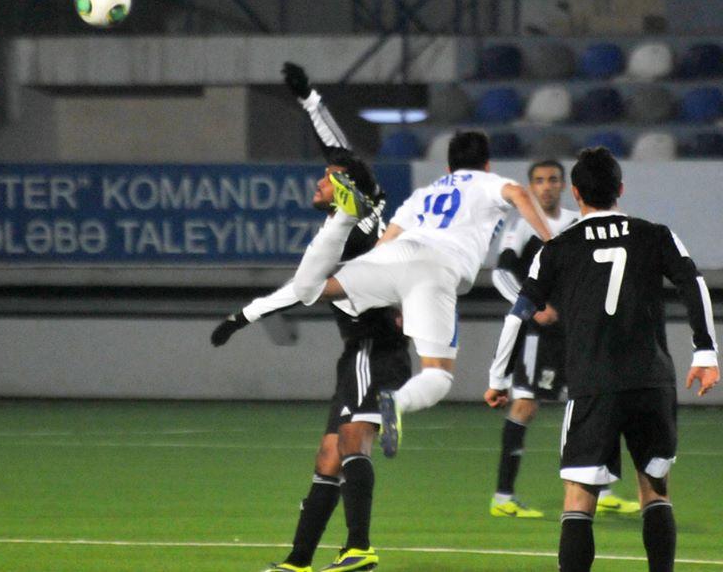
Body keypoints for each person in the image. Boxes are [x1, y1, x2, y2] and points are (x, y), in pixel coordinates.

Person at [211, 63, 410, 572]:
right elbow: (340, 153)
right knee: (327, 457)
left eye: (328, 178)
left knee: (351, 443)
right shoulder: (356, 217)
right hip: (359, 352)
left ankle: (359, 547)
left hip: (374, 348)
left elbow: (303, 290)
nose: (320, 180)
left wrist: (243, 316)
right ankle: (299, 560)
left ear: (345, 188)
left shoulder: (354, 224)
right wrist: (309, 100)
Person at [485, 147, 719, 571]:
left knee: (579, 499)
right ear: (620, 189)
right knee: (655, 492)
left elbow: (518, 313)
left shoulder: (557, 248)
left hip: (594, 384)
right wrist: (705, 351)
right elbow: (693, 283)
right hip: (652, 382)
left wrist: (499, 377)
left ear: (575, 193)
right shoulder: (655, 234)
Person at [289, 130, 553, 458]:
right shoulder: (489, 183)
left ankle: (320, 258)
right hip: (437, 268)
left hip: (396, 256)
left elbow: (385, 242)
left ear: (448, 168)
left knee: (318, 289)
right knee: (438, 375)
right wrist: (551, 241)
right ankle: (395, 401)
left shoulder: (424, 193)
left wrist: (389, 295)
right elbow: (519, 193)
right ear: (486, 164)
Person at [487, 159, 639, 518]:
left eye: (553, 179)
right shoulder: (521, 226)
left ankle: (601, 490)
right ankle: (503, 497)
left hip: (577, 333)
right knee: (525, 406)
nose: (546, 186)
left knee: (594, 401)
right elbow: (501, 275)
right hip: (538, 336)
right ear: (530, 187)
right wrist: (533, 307)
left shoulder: (577, 223)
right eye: (539, 181)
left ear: (565, 186)